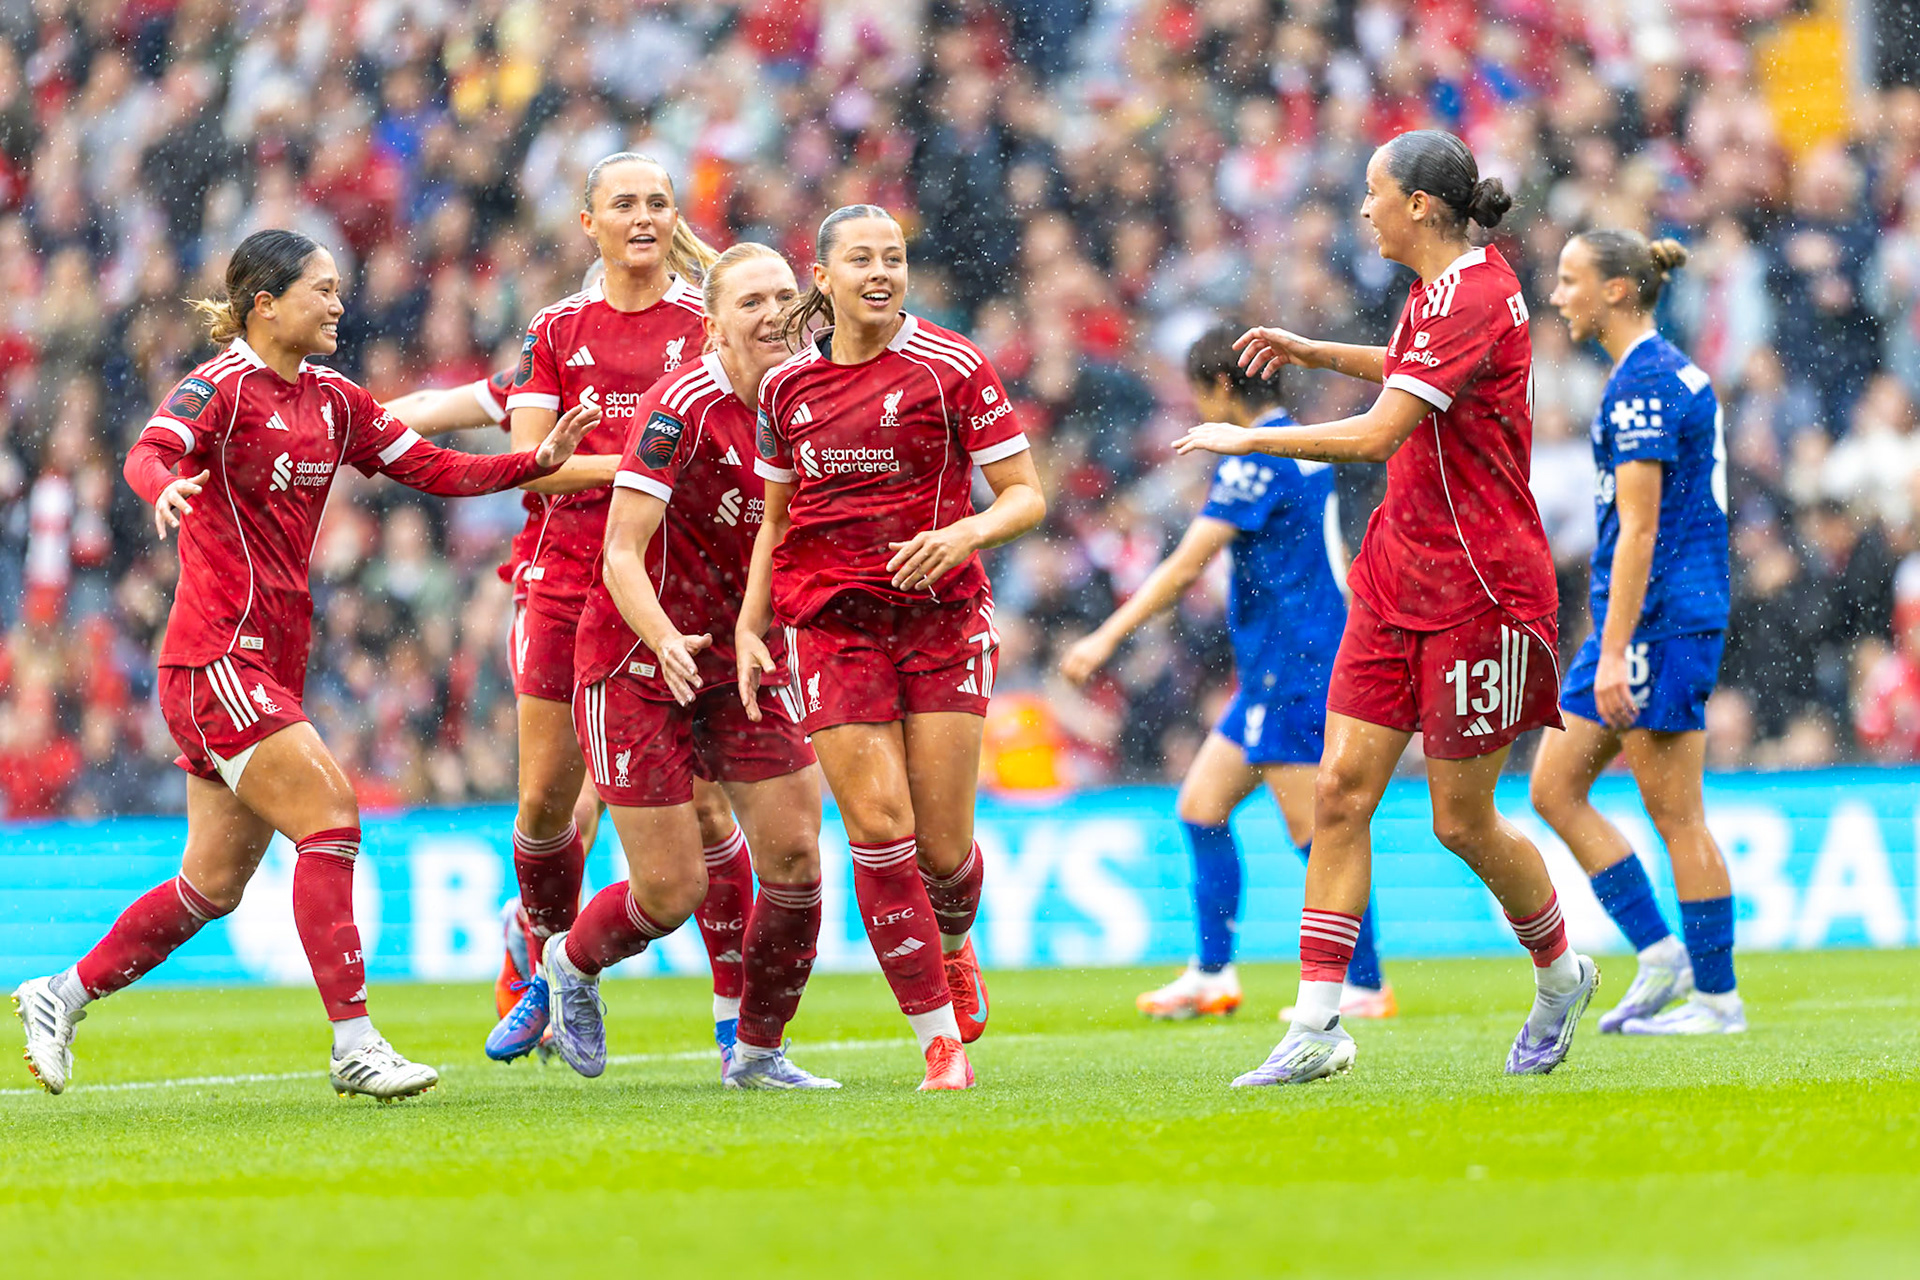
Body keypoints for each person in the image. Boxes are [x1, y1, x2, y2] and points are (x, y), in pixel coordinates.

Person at [10, 229, 598, 1099]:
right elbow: (147, 452)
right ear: (266, 304)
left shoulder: (335, 399)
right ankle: (354, 1043)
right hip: (216, 658)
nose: (338, 303)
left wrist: (532, 464)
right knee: (331, 818)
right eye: (322, 289)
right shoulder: (220, 387)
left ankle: (59, 994)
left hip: (269, 665)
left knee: (211, 884)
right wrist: (164, 487)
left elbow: (432, 467)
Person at [1176, 130, 1599, 1086]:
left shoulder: (1474, 295)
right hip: (1395, 578)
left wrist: (1250, 439)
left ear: (1419, 205)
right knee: (1338, 790)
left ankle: (1560, 973)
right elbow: (1407, 367)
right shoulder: (1438, 292)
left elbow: (1378, 437)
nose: (1362, 207)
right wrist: (1313, 350)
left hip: (1479, 591)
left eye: (1374, 191)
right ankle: (1317, 1023)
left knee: (1462, 822)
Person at [739, 205, 1046, 1090]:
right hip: (831, 622)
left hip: (939, 618)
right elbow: (775, 520)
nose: (881, 272)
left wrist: (964, 533)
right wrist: (751, 626)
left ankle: (953, 941)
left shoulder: (953, 366)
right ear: (823, 278)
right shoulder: (785, 389)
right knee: (879, 827)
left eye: (894, 258)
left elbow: (1026, 495)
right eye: (862, 259)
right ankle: (939, 1044)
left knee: (943, 853)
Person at [487, 154, 766, 1065]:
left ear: (674, 218)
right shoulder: (555, 328)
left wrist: (614, 463)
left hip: (683, 583)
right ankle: (548, 962)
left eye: (657, 203)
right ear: (588, 223)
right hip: (568, 579)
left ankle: (735, 1025)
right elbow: (530, 465)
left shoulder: (705, 324)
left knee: (711, 808)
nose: (643, 217)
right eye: (624, 204)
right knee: (547, 805)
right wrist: (644, 463)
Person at [539, 242, 838, 1089]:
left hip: (743, 656)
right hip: (639, 661)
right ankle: (570, 963)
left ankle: (758, 1051)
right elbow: (620, 552)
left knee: (796, 860)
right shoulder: (678, 408)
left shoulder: (814, 399)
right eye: (752, 302)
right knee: (670, 893)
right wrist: (667, 637)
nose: (774, 314)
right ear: (712, 327)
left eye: (784, 297)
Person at [1061, 323, 1394, 1023]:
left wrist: (1105, 638)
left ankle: (1363, 983)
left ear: (1219, 386)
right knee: (1201, 805)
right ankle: (1212, 974)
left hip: (1295, 664)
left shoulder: (1256, 454)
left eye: (1199, 392)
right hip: (1285, 661)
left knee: (1315, 831)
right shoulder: (1300, 443)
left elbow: (1189, 565)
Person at [1529, 231, 1743, 1034]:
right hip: (1650, 618)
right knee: (1553, 787)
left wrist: (1616, 648)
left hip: (1659, 622)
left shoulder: (1643, 385)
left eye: (1570, 279)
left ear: (1617, 290)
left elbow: (1642, 529)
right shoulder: (1659, 373)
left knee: (1677, 814)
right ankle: (1659, 952)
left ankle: (1717, 999)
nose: (1558, 296)